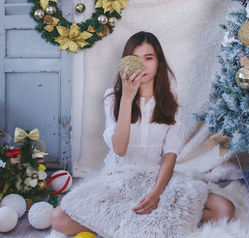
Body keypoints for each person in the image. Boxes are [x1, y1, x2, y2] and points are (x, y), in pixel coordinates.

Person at [51, 31, 235, 235]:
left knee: (225, 210)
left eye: (148, 58)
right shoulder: (113, 98)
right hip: (119, 177)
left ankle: (143, 218)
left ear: (158, 63)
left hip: (157, 177)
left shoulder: (171, 103)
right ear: (125, 64)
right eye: (135, 59)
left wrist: (156, 193)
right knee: (59, 219)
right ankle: (139, 222)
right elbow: (119, 149)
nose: (142, 66)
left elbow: (170, 155)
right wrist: (128, 99)